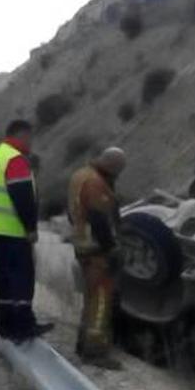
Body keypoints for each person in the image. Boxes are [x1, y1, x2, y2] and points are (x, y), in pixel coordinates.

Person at [0, 120, 54, 343]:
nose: (31, 143)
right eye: (30, 137)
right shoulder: (15, 159)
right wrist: (30, 228)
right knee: (21, 278)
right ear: (21, 135)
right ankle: (23, 326)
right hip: (13, 229)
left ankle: (5, 325)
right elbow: (22, 197)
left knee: (4, 279)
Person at [68, 147, 127, 369]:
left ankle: (83, 344)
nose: (118, 176)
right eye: (118, 171)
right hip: (96, 250)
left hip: (82, 246)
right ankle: (95, 351)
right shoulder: (96, 183)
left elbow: (72, 212)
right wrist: (111, 247)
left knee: (90, 297)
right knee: (101, 300)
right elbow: (99, 218)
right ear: (112, 167)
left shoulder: (80, 176)